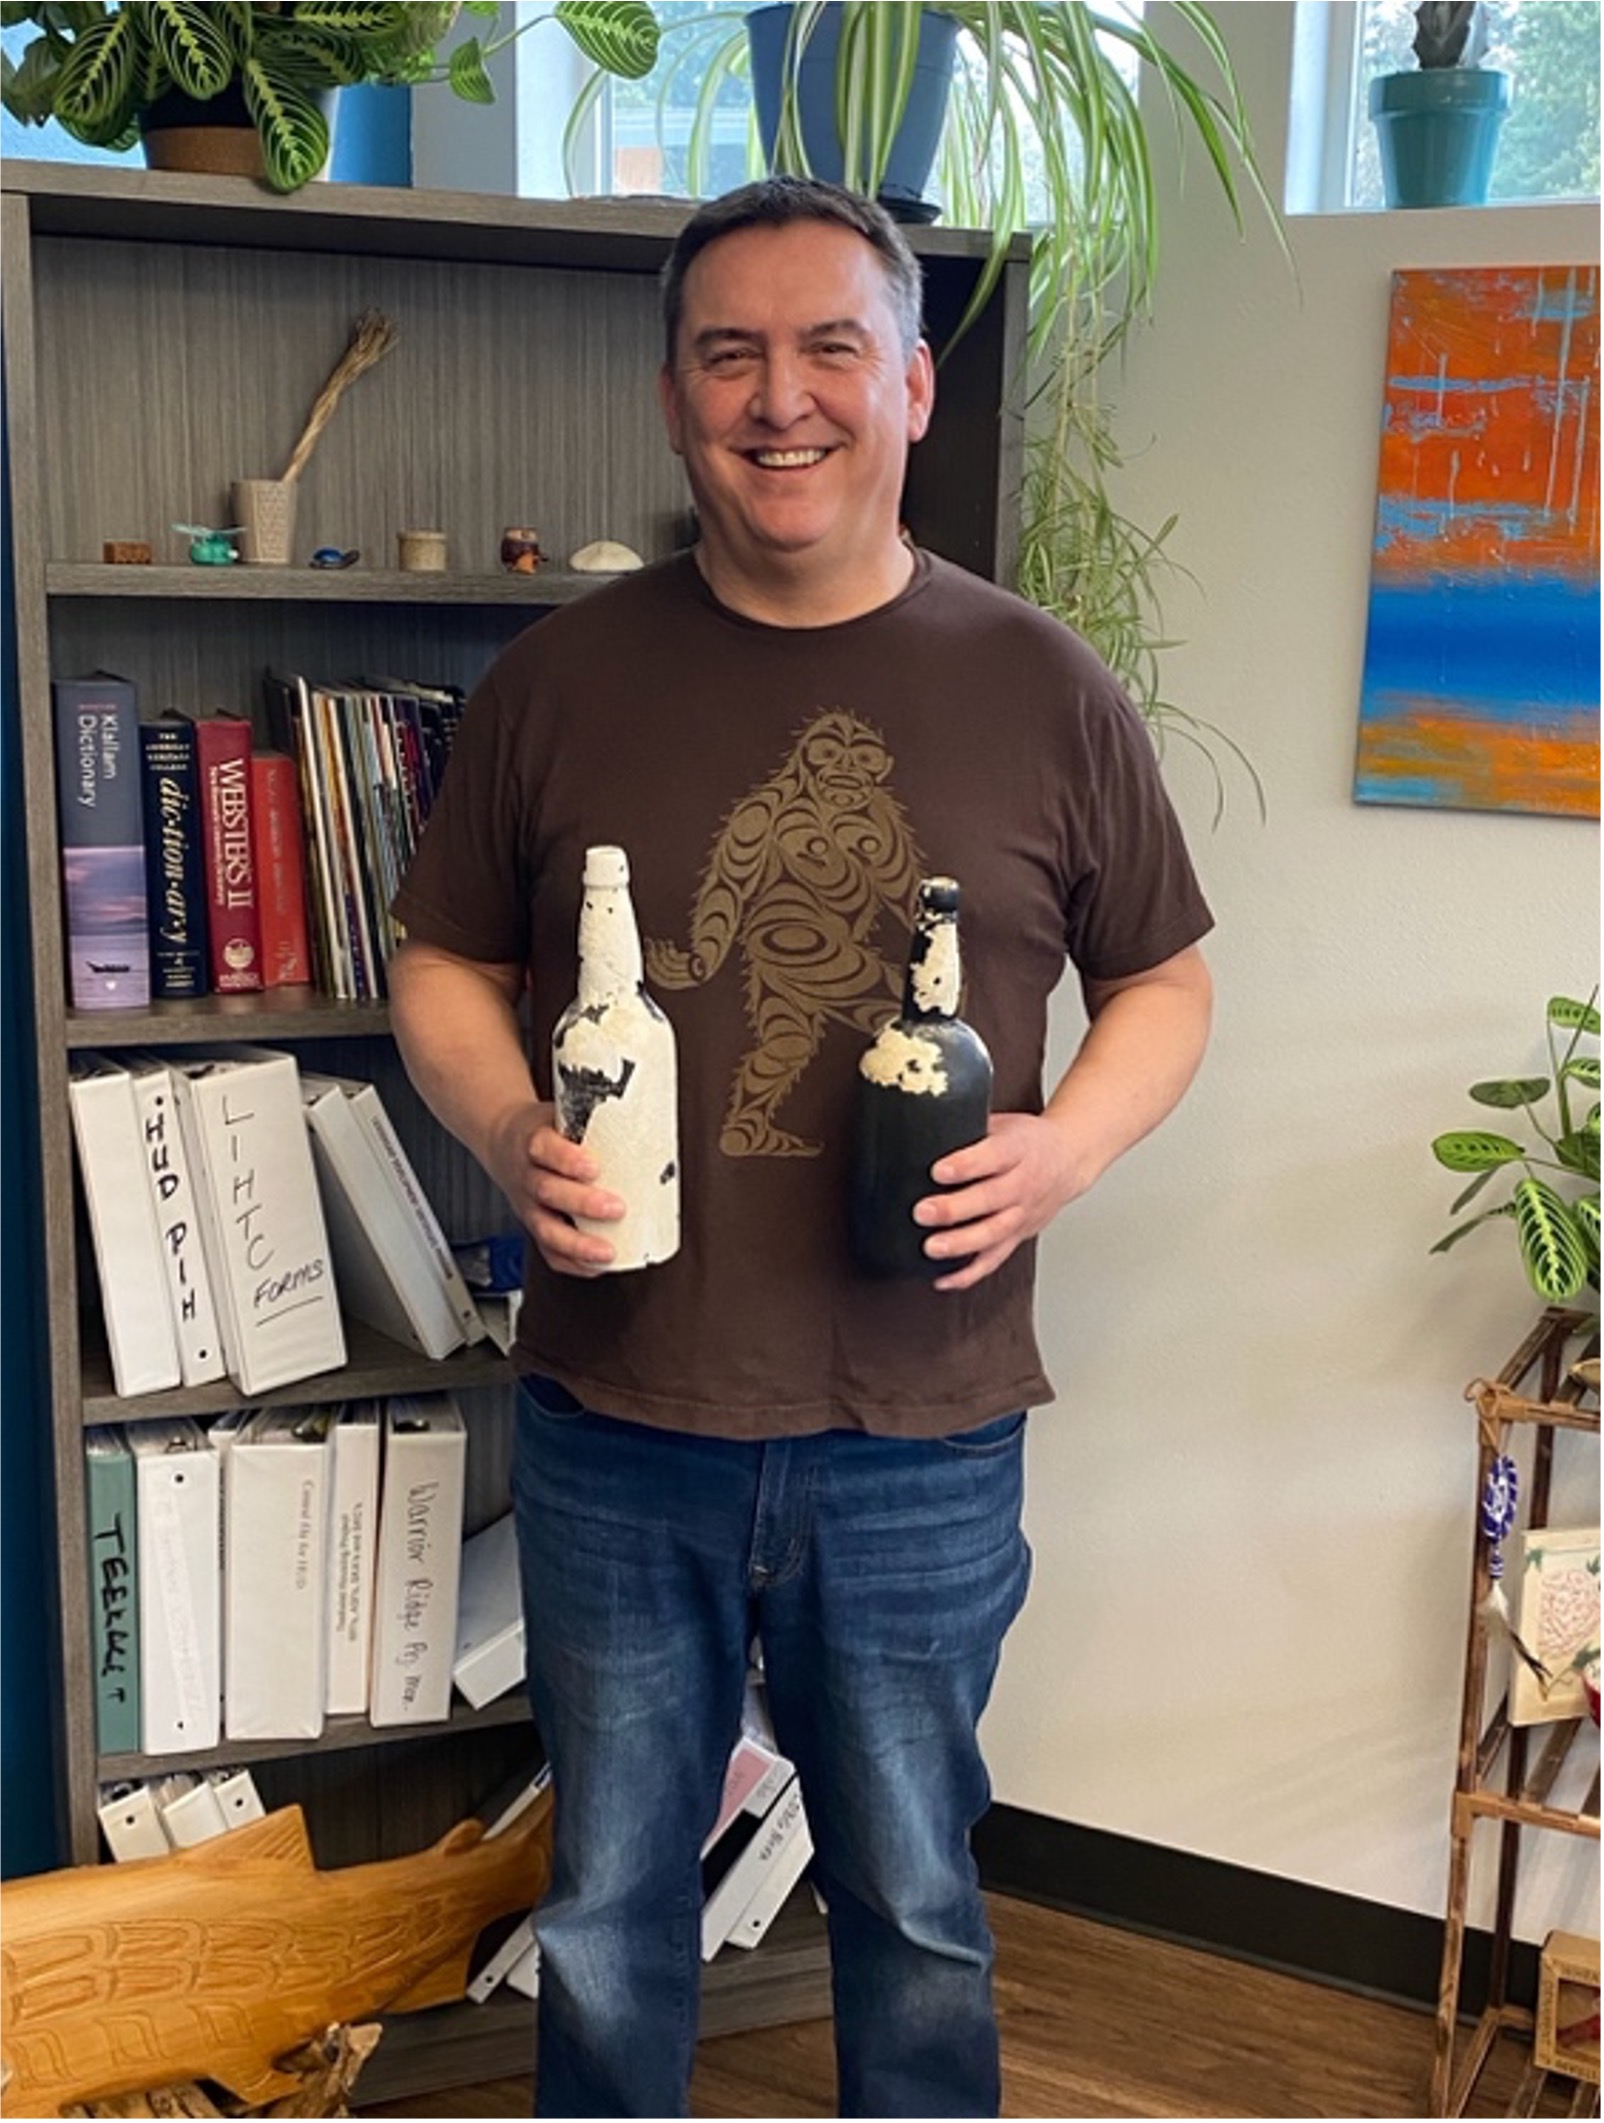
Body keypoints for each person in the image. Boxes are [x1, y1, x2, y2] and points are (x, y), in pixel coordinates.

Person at [389, 175, 1213, 2121]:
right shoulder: (561, 681)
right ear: (673, 398)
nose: (782, 398)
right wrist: (506, 1121)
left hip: (921, 1436)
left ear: (911, 386)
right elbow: (442, 962)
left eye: (831, 348)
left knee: (915, 1911)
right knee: (609, 1915)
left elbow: (1165, 982)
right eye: (730, 355)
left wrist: (1065, 1151)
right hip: (617, 1423)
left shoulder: (1042, 687)